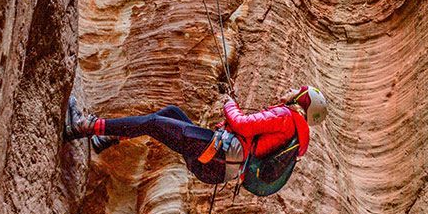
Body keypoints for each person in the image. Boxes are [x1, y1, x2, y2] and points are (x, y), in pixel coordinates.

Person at [64, 85, 327, 192]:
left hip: (219, 155)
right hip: (220, 165)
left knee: (155, 124)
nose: (290, 90)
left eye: (297, 90)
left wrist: (229, 104)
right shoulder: (294, 134)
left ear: (301, 100)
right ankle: (105, 137)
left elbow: (243, 125)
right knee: (171, 114)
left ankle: (84, 126)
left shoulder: (286, 118)